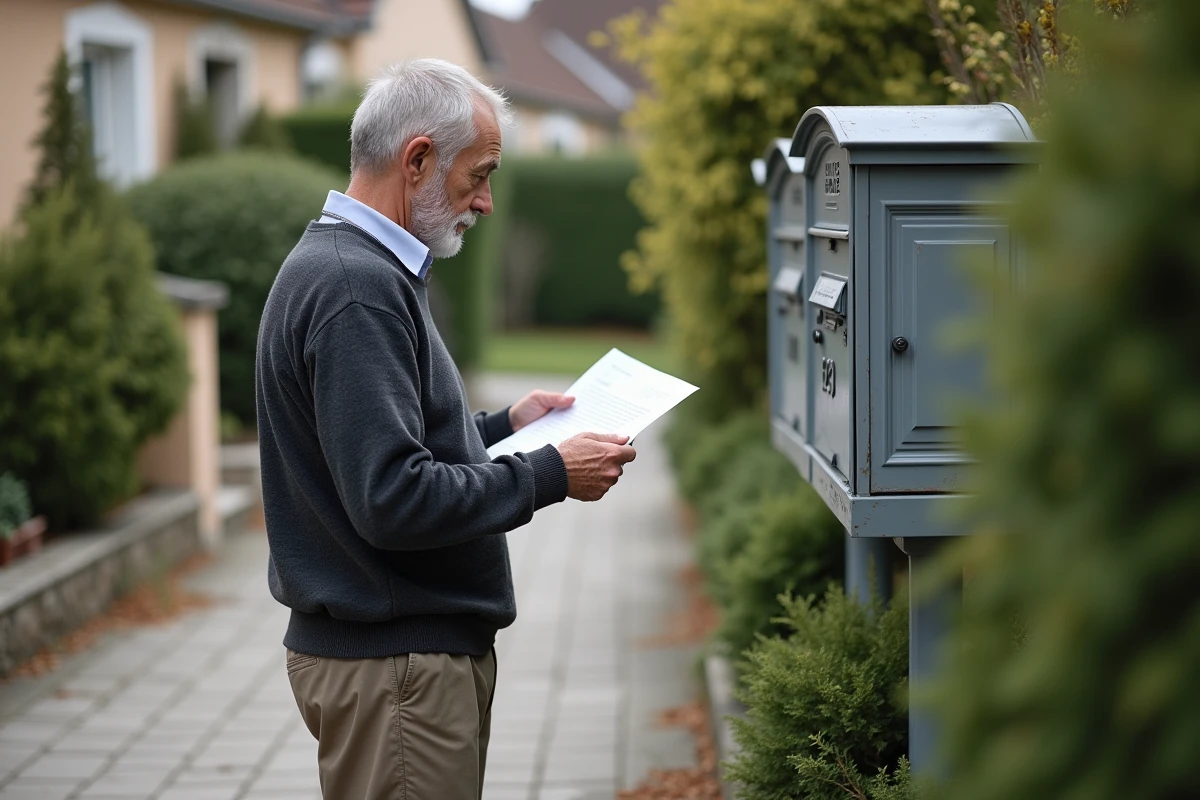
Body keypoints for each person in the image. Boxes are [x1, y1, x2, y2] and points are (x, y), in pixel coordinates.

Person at [255, 59, 637, 800]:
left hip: (395, 669)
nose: (487, 202)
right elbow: (393, 497)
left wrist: (499, 428)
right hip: (398, 676)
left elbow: (377, 451)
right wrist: (552, 473)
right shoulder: (355, 287)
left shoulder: (355, 266)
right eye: (479, 174)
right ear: (419, 158)